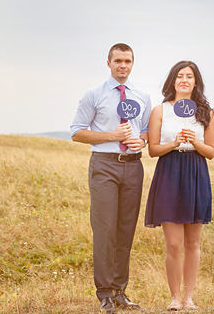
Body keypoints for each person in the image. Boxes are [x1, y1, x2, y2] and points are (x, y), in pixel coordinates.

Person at [70, 43, 152, 313]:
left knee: (125, 230)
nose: (123, 66)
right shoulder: (94, 95)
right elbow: (77, 132)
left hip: (133, 167)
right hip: (104, 165)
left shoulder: (141, 96)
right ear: (109, 63)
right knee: (105, 230)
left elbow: (149, 129)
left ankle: (120, 291)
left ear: (132, 63)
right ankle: (104, 293)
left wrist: (142, 139)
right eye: (118, 61)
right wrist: (111, 136)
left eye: (128, 61)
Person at [145, 60, 214, 311]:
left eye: (189, 76)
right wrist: (173, 143)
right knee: (174, 243)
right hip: (169, 172)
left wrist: (194, 142)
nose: (184, 80)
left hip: (196, 173)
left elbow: (211, 152)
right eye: (179, 76)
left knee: (192, 243)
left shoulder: (205, 112)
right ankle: (174, 297)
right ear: (173, 81)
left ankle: (188, 298)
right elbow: (153, 150)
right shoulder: (160, 110)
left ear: (196, 82)